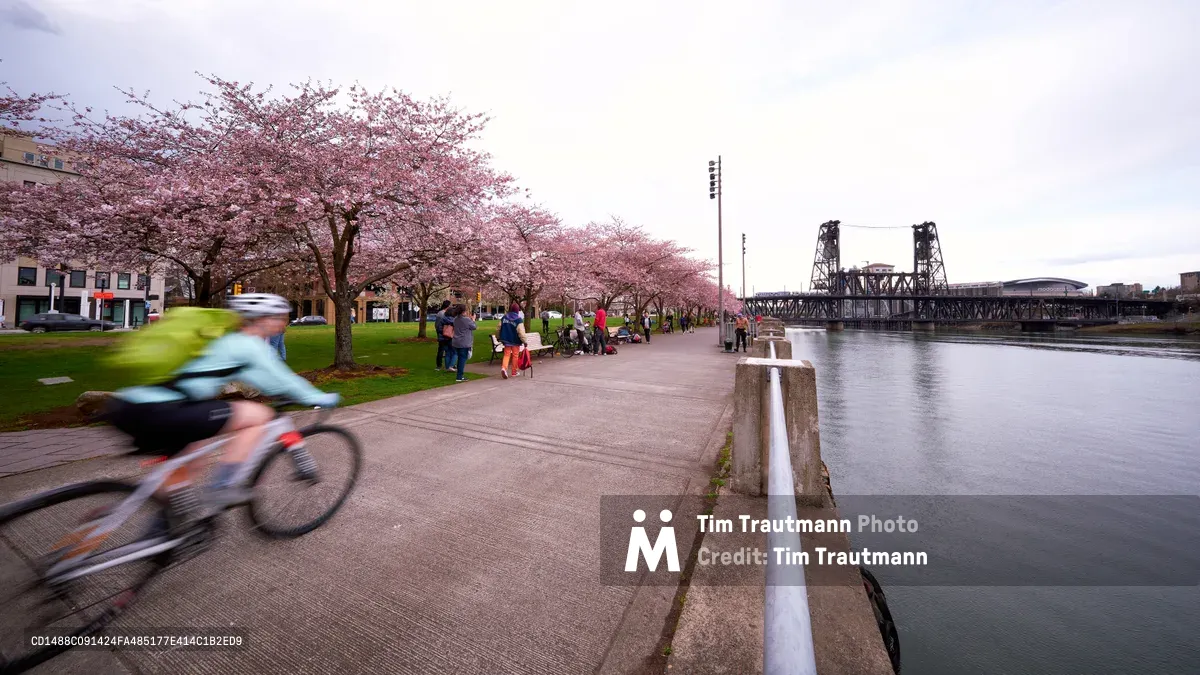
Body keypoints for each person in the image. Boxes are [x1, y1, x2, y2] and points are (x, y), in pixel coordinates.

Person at [103, 293, 340, 514]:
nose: (282, 323)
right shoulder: (248, 345)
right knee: (259, 415)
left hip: (130, 407)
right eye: (279, 317)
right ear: (262, 319)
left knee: (194, 457)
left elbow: (265, 381)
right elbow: (283, 382)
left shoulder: (218, 338)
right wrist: (319, 398)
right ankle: (223, 487)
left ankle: (163, 531)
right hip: (164, 411)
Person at [499, 302, 527, 379]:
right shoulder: (518, 319)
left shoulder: (504, 318)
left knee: (506, 355)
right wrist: (525, 341)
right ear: (517, 310)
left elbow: (498, 328)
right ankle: (514, 372)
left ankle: (504, 368)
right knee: (515, 356)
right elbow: (521, 331)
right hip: (515, 341)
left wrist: (498, 337)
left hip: (506, 340)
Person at [451, 304, 477, 382]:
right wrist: (473, 319)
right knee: (462, 359)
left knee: (459, 358)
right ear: (463, 311)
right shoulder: (466, 320)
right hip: (464, 342)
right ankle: (459, 376)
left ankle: (459, 375)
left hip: (456, 341)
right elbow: (474, 327)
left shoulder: (455, 319)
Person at [434, 300, 452, 371]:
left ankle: (442, 365)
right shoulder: (443, 314)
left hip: (442, 334)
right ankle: (440, 365)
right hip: (444, 334)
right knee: (443, 350)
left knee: (443, 350)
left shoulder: (440, 313)